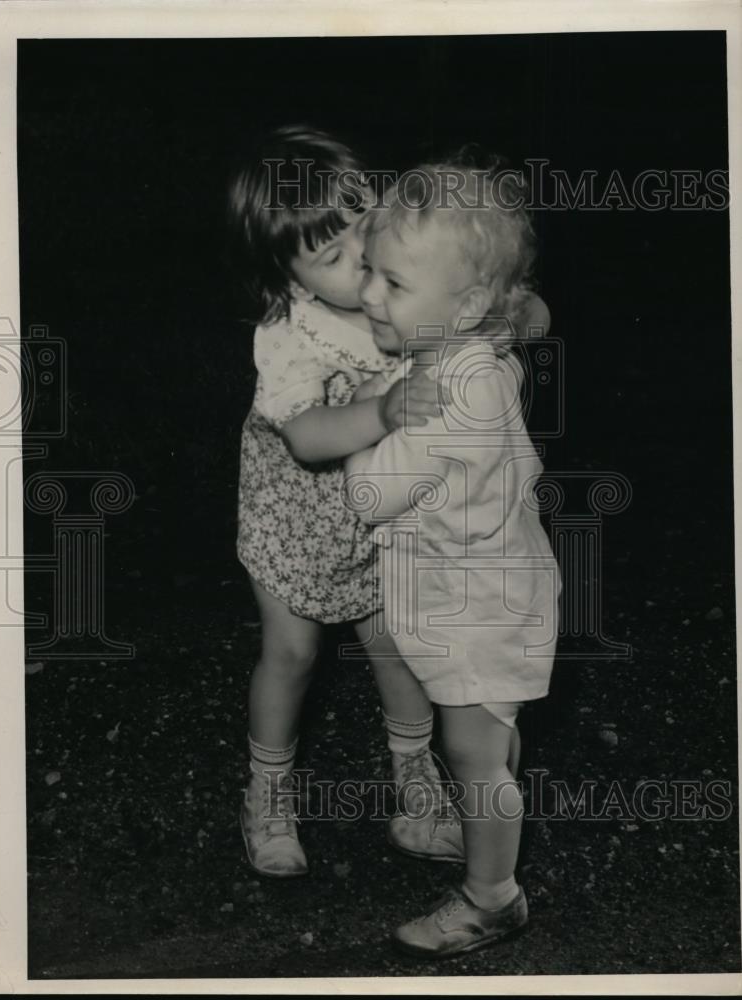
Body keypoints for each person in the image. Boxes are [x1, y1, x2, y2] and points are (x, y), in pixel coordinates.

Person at [228, 126, 464, 879]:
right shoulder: (290, 334)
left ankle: (414, 787)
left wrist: (511, 315)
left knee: (395, 642)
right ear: (289, 276)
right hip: (293, 517)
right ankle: (267, 793)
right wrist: (382, 411)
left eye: (364, 226)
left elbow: (473, 322)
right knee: (293, 652)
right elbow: (304, 436)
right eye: (330, 255)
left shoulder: (399, 293)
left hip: (379, 510)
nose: (360, 256)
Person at [345, 160, 560, 956]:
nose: (368, 295)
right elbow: (525, 314)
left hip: (473, 610)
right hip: (499, 590)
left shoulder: (448, 401)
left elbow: (368, 494)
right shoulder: (474, 346)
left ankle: (490, 898)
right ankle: (487, 847)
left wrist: (365, 429)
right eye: (367, 270)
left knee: (473, 758)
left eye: (392, 284)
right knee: (490, 741)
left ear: (464, 303)